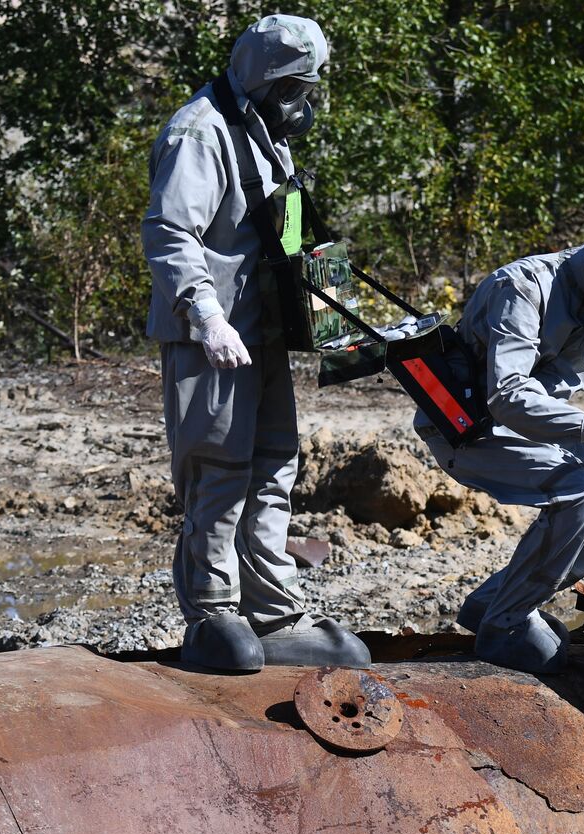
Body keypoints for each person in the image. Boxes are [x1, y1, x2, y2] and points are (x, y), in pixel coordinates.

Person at [141, 15, 370, 672]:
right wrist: (205, 315)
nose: (305, 98)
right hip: (212, 334)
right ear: (268, 77)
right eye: (297, 84)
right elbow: (169, 232)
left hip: (262, 331)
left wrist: (341, 313)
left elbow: (290, 228)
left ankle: (272, 610)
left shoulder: (264, 130)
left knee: (274, 465)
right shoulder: (200, 132)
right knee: (218, 469)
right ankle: (213, 612)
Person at [415, 216, 584, 674]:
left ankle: (496, 603)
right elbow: (509, 396)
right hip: (470, 427)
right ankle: (506, 628)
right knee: (578, 490)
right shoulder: (523, 287)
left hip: (540, 427)